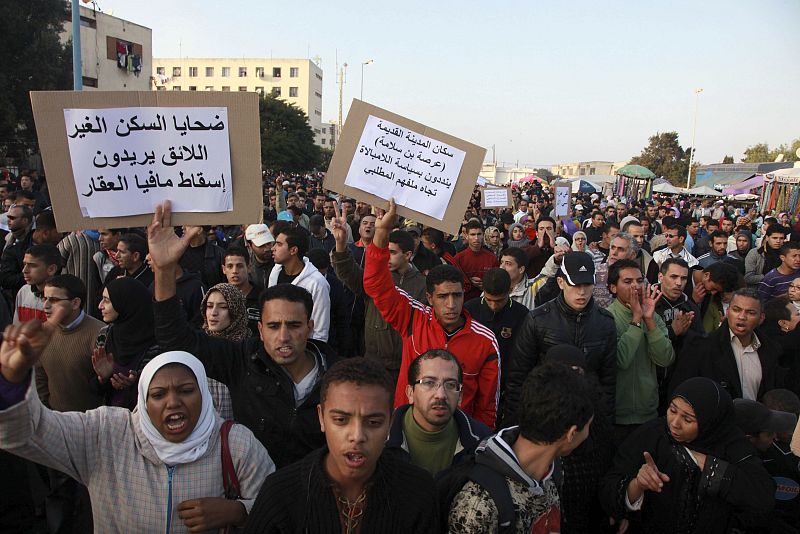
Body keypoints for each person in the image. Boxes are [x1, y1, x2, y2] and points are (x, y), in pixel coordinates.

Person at [0, 334, 275, 533]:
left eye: (186, 390)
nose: (173, 402)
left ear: (203, 393)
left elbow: (277, 514)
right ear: (143, 401)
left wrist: (239, 512)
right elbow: (31, 433)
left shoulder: (235, 443)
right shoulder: (107, 434)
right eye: (158, 394)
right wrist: (11, 383)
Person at [149, 201, 339, 468]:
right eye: (273, 326)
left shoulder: (337, 376)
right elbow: (177, 340)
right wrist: (165, 270)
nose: (283, 336)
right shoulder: (243, 361)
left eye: (294, 326)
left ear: (309, 327)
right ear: (259, 329)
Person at [243, 358, 438, 533]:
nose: (357, 436)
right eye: (341, 420)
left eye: (373, 423)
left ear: (391, 422)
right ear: (321, 418)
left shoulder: (417, 492)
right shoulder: (280, 495)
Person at [362, 199, 500, 428]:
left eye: (457, 296)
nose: (451, 304)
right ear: (429, 298)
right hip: (405, 433)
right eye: (443, 297)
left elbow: (487, 409)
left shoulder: (485, 341)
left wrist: (477, 447)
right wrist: (382, 232)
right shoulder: (413, 318)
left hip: (457, 442)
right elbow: (376, 284)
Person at [601, 377, 774, 533]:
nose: (674, 423)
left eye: (688, 419)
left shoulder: (733, 446)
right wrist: (638, 485)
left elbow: (762, 499)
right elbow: (610, 486)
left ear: (710, 422)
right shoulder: (652, 435)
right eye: (672, 410)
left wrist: (712, 468)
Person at [443, 361, 594, 533]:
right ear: (571, 433)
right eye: (589, 424)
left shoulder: (553, 470)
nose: (589, 433)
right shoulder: (477, 505)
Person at [505, 252, 617, 422]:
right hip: (545, 417)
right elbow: (518, 378)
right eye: (575, 284)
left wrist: (603, 424)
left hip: (587, 420)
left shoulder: (605, 322)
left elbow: (608, 382)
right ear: (561, 283)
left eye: (587, 284)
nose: (582, 292)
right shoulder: (537, 320)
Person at [331, 211, 426, 380]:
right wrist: (340, 244)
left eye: (393, 252)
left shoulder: (423, 285)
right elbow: (348, 273)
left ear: (408, 255)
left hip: (408, 366)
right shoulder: (377, 278)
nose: (386, 257)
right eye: (385, 251)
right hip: (373, 363)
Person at [386, 349, 492, 476]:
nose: (440, 395)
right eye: (429, 383)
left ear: (460, 396)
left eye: (451, 385)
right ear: (410, 392)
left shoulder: (483, 443)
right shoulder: (382, 437)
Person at [670, 288, 782, 401]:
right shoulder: (700, 347)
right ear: (728, 312)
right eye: (736, 310)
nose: (742, 317)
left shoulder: (771, 350)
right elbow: (680, 393)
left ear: (761, 318)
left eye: (750, 312)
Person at [606, 259, 675, 441]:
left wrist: (649, 320)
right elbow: (621, 359)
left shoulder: (654, 317)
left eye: (639, 280)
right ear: (613, 288)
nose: (635, 286)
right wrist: (636, 319)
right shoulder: (605, 318)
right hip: (617, 416)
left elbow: (665, 358)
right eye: (628, 282)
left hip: (648, 412)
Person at [464, 268, 529, 417]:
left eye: (499, 301)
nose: (493, 305)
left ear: (509, 291)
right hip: (473, 385)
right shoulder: (469, 310)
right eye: (489, 300)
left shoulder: (522, 315)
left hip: (506, 390)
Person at [93, 277, 159, 409]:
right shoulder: (104, 335)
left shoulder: (158, 341)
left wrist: (136, 383)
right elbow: (94, 389)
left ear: (125, 302)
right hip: (112, 419)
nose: (100, 305)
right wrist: (103, 379)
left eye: (107, 300)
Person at [268, 226, 330, 343]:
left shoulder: (317, 283)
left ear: (293, 250)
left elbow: (320, 330)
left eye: (279, 244)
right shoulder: (275, 272)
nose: (273, 248)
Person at [13, 243, 62, 324]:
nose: (24, 270)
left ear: (51, 269)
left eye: (32, 265)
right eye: (24, 264)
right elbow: (17, 328)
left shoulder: (63, 299)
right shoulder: (24, 291)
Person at [453, 219, 499, 301]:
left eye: (479, 234)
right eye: (473, 234)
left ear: (483, 235)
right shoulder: (458, 258)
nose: (476, 238)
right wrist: (468, 282)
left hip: (487, 301)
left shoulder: (492, 258)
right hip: (465, 302)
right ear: (466, 236)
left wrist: (486, 284)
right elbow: (454, 284)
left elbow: (497, 282)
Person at [222, 247, 262, 336]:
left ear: (249, 268)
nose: (235, 271)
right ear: (224, 269)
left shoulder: (263, 297)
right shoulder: (217, 297)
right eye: (230, 266)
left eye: (240, 266)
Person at [243, 223, 275, 290]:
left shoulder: (281, 263)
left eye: (269, 243)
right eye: (261, 245)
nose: (267, 249)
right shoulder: (245, 267)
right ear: (249, 246)